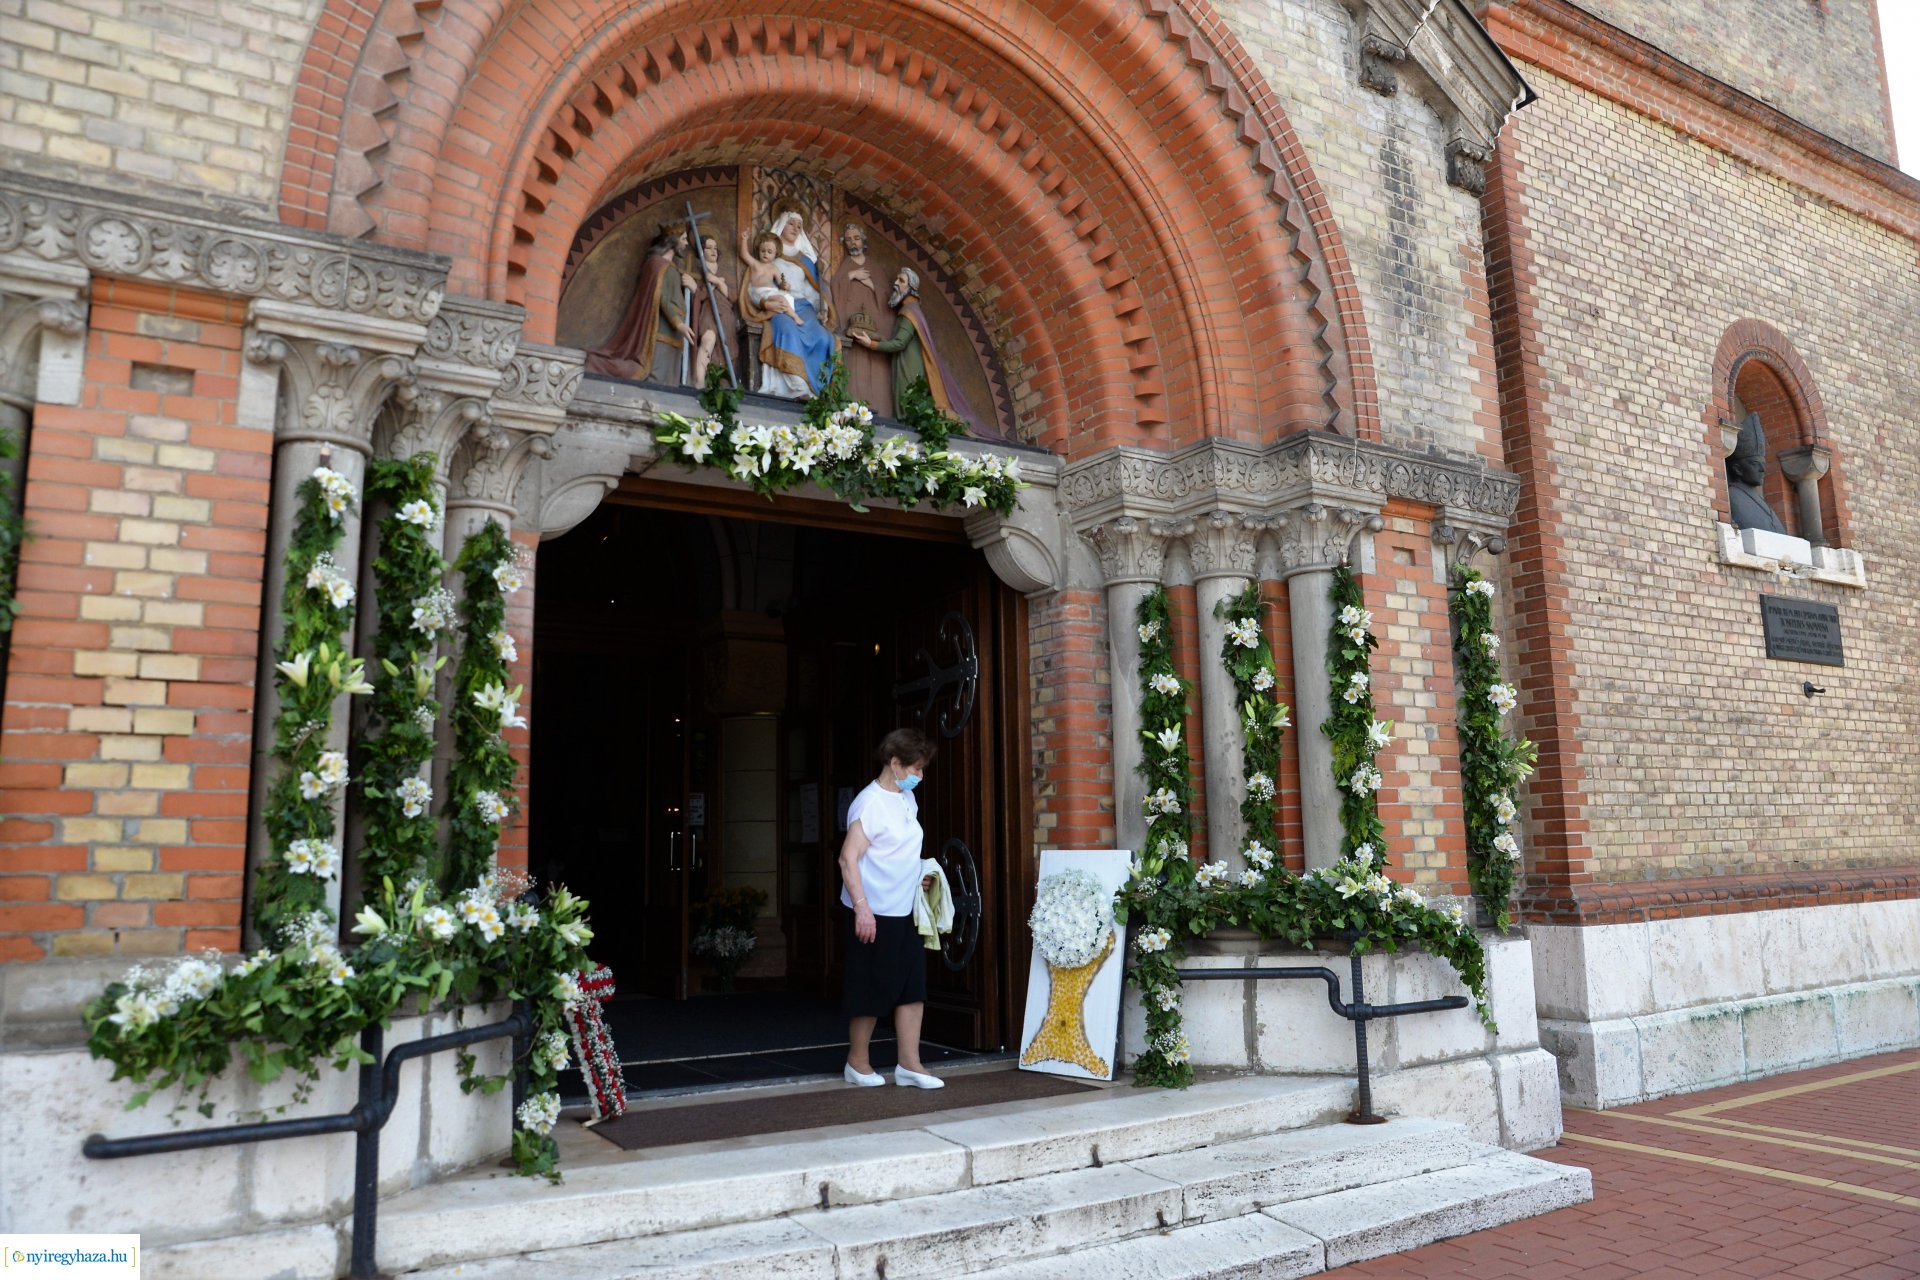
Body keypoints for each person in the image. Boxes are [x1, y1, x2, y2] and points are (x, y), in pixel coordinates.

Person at [839, 727, 944, 1089]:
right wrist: (862, 909)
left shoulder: (905, 800)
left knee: (912, 987)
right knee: (870, 987)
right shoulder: (870, 803)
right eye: (915, 769)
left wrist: (920, 877)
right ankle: (857, 1063)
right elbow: (848, 859)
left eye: (922, 770)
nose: (919, 776)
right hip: (874, 911)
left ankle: (909, 1065)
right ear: (894, 762)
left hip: (905, 910)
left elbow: (900, 852)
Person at [851, 267, 980, 431]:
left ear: (911, 288)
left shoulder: (908, 312)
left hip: (909, 368)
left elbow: (899, 343)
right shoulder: (912, 310)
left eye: (901, 281)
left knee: (906, 406)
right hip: (906, 362)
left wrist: (871, 344)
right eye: (897, 279)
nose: (895, 283)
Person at [737, 210, 837, 398]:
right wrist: (766, 303)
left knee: (824, 338)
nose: (795, 228)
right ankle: (796, 385)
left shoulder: (806, 260)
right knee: (787, 328)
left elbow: (813, 291)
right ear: (782, 224)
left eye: (799, 226)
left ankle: (818, 390)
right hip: (777, 306)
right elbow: (753, 286)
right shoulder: (769, 254)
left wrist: (820, 309)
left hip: (803, 306)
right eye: (791, 223)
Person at [583, 224, 697, 382]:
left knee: (669, 380)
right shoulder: (657, 264)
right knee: (655, 376)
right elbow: (661, 297)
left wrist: (692, 287)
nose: (686, 243)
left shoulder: (671, 268)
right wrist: (679, 324)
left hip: (675, 334)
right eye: (683, 239)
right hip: (662, 331)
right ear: (673, 240)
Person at [831, 221, 895, 409]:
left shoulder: (875, 267)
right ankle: (853, 407)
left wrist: (870, 285)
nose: (853, 243)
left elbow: (888, 297)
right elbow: (835, 287)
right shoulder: (846, 266)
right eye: (849, 239)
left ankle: (880, 409)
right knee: (854, 367)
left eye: (856, 238)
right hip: (853, 326)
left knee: (877, 371)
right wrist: (851, 276)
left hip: (875, 325)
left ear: (864, 241)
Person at [685, 234, 734, 389]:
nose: (713, 251)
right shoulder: (697, 270)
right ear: (702, 251)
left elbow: (733, 296)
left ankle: (719, 387)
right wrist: (695, 288)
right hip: (708, 312)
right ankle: (698, 383)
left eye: (715, 248)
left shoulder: (725, 272)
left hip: (726, 315)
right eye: (709, 247)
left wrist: (717, 281)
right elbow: (700, 295)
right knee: (708, 340)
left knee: (724, 351)